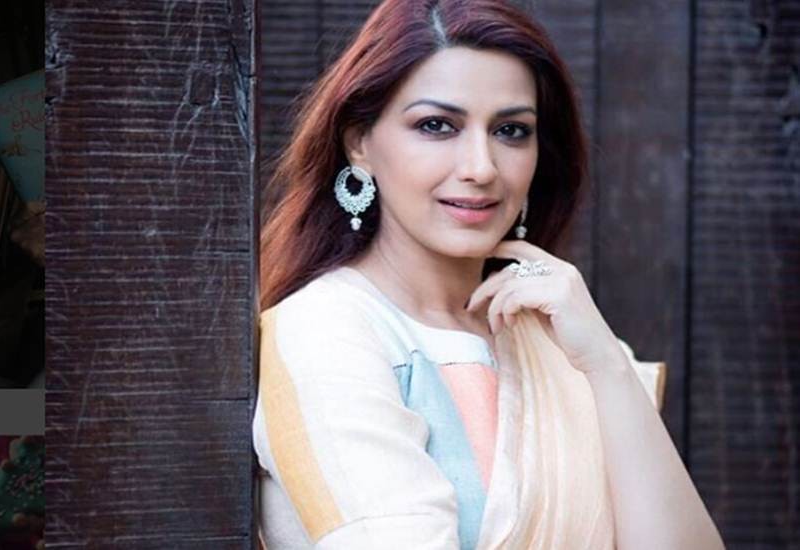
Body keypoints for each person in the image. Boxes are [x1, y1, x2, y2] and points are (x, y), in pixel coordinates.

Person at [253, 0, 725, 548]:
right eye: (436, 126)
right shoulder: (325, 331)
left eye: (511, 131)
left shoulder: (565, 345)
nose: (481, 168)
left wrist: (607, 365)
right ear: (359, 142)